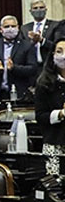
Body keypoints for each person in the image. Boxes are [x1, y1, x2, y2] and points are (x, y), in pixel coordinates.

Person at [0, 15, 37, 107]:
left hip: (19, 94)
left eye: (13, 26)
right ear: (1, 29)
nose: (10, 29)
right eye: (6, 27)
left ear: (18, 28)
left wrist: (14, 68)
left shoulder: (27, 46)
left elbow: (33, 69)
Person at [35, 38, 65, 175]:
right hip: (55, 142)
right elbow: (40, 116)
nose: (63, 55)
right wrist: (61, 114)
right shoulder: (44, 83)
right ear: (53, 55)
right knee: (55, 189)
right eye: (59, 51)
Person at [23, 0, 58, 64]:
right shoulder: (25, 28)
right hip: (30, 66)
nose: (38, 10)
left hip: (49, 64)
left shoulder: (55, 25)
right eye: (35, 8)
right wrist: (32, 41)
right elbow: (22, 48)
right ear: (30, 11)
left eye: (41, 7)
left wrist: (42, 40)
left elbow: (57, 46)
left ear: (46, 10)